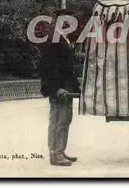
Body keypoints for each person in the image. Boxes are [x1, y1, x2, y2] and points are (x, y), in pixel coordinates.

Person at [38, 9, 87, 166]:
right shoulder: (54, 39)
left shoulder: (62, 38)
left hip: (67, 87)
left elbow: (64, 64)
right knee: (59, 120)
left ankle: (60, 151)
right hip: (60, 89)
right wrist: (56, 88)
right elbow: (48, 67)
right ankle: (55, 154)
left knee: (64, 120)